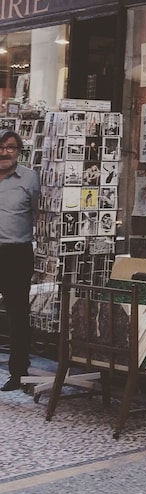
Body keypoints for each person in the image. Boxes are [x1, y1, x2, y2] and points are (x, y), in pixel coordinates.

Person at [0, 130, 41, 392]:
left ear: (19, 151)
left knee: (18, 315)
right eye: (1, 147)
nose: (5, 152)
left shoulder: (29, 178)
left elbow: (37, 213)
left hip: (16, 254)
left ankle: (18, 373)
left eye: (11, 148)